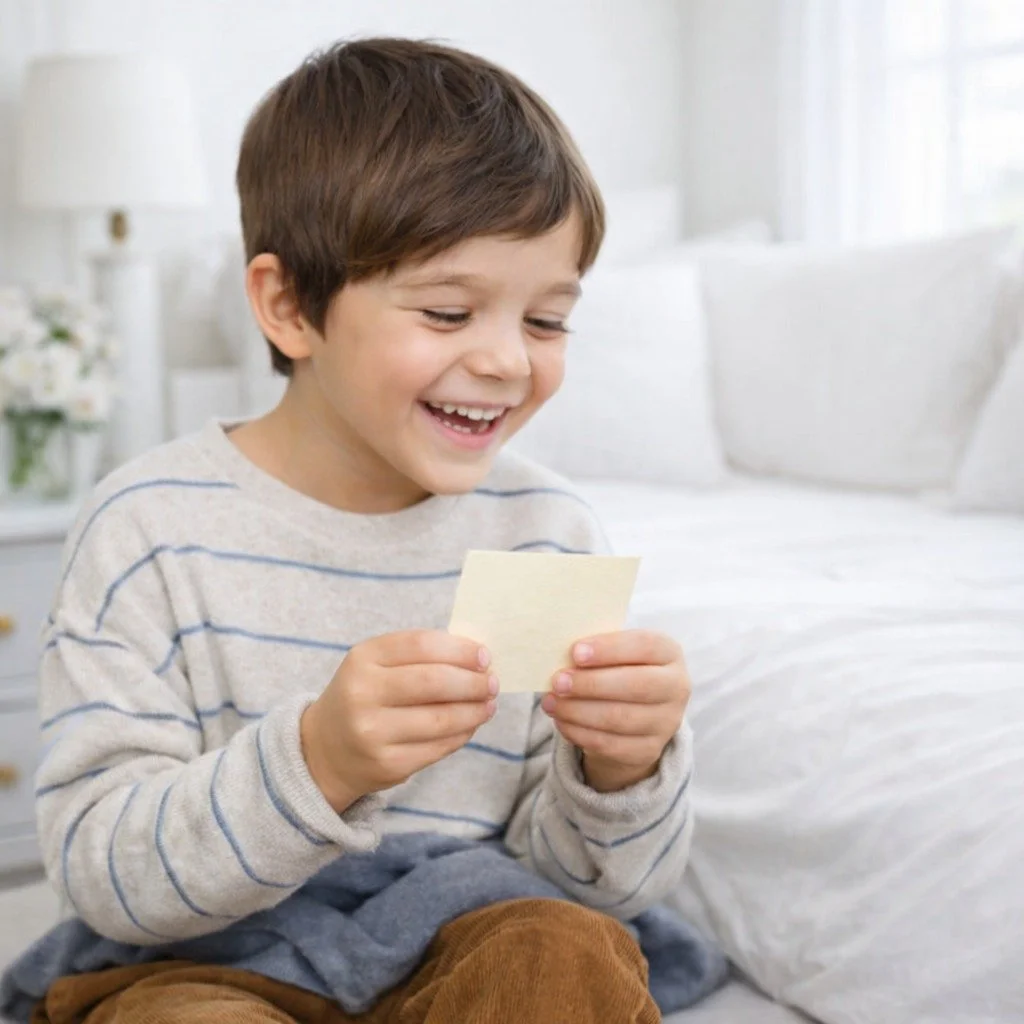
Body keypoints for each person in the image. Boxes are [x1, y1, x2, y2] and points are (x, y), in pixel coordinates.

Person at [31, 37, 694, 1024]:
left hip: (462, 932)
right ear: (290, 305)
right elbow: (103, 872)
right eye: (447, 309)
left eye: (547, 320)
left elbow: (592, 885)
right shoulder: (150, 529)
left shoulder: (546, 529)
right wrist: (317, 762)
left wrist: (620, 770)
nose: (509, 360)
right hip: (206, 960)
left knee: (565, 954)